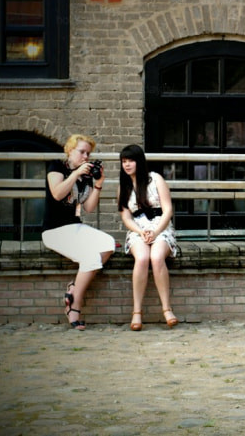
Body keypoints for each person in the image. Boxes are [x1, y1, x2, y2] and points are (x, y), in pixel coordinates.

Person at [42, 134, 115, 330]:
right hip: (54, 230)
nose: (85, 157)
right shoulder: (57, 166)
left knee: (108, 244)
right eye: (82, 152)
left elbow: (89, 208)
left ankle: (73, 288)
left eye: (88, 154)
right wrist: (75, 174)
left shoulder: (86, 176)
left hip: (74, 227)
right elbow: (57, 193)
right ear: (70, 150)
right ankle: (74, 307)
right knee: (90, 257)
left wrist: (98, 183)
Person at [117, 144, 180, 331]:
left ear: (139, 161)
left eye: (131, 160)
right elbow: (126, 218)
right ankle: (136, 312)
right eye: (124, 161)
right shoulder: (123, 187)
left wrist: (156, 231)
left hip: (161, 226)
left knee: (157, 257)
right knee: (143, 258)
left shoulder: (155, 178)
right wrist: (140, 231)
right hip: (138, 229)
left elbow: (168, 210)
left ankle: (167, 309)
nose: (127, 165)